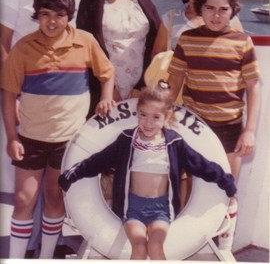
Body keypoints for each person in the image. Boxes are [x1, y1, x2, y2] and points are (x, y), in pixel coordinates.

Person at [58, 81, 237, 260]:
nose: (148, 123)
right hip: (132, 208)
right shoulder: (127, 139)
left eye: (156, 117)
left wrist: (227, 182)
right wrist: (71, 175)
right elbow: (97, 161)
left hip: (161, 209)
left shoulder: (174, 143)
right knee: (139, 246)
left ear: (166, 117)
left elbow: (201, 165)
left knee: (155, 245)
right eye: (143, 115)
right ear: (137, 114)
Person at [0, 0, 115, 259]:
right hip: (30, 138)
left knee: (54, 199)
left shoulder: (85, 41)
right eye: (45, 14)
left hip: (68, 140)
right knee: (23, 199)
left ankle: (46, 257)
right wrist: (12, 138)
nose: (52, 21)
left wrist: (106, 98)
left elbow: (107, 73)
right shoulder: (23, 47)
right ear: (37, 16)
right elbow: (8, 95)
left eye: (60, 15)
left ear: (69, 16)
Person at [0, 0, 81, 258]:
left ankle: (45, 248)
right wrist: (13, 94)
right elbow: (3, 41)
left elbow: (69, 40)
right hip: (21, 90)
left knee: (52, 185)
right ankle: (23, 249)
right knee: (22, 181)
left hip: (55, 99)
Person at [167, 0, 260, 252]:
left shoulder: (242, 42)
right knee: (191, 185)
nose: (216, 15)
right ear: (200, 8)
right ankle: (185, 246)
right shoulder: (188, 39)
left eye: (223, 9)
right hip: (194, 126)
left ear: (233, 10)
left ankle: (223, 248)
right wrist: (163, 113)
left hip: (230, 127)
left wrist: (249, 130)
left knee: (227, 189)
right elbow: (174, 81)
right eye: (209, 8)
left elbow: (253, 88)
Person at [76, 0, 160, 115]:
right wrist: (108, 89)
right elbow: (85, 51)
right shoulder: (89, 4)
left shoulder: (145, 3)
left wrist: (142, 86)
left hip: (139, 90)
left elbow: (156, 46)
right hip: (104, 91)